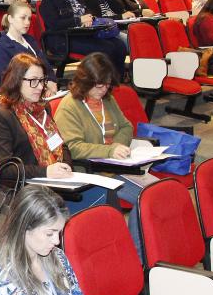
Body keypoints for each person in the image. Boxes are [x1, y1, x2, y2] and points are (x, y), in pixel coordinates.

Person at [54, 53, 145, 243]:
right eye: (99, 85)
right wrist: (110, 151)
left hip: (117, 166)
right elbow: (74, 148)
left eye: (107, 84)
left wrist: (118, 145)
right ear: (85, 81)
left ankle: (147, 250)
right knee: (145, 198)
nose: (104, 90)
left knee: (156, 192)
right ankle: (136, 253)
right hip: (94, 172)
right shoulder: (69, 107)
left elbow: (126, 126)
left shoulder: (107, 100)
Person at [40, 0, 127, 75]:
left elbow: (88, 12)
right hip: (63, 39)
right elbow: (54, 24)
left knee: (119, 45)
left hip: (85, 34)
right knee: (107, 48)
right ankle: (103, 81)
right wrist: (79, 20)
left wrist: (89, 19)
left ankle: (118, 79)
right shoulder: (49, 1)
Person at [0, 0, 58, 88]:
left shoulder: (30, 40)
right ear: (10, 19)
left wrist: (51, 81)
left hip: (41, 87)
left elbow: (46, 65)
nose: (27, 22)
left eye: (29, 19)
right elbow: (4, 81)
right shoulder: (2, 47)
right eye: (23, 18)